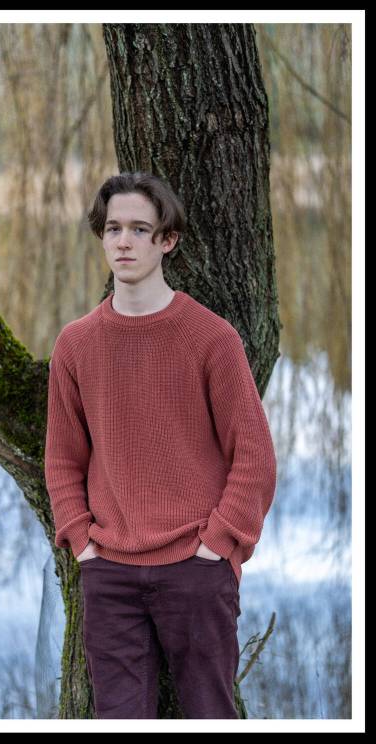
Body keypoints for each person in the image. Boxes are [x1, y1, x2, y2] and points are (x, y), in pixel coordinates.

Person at [44, 172, 277, 719]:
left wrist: (218, 546)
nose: (124, 242)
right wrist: (82, 544)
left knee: (209, 714)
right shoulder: (76, 343)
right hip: (109, 571)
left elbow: (255, 457)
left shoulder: (211, 338)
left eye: (140, 230)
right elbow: (62, 459)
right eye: (113, 229)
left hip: (196, 568)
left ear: (166, 240)